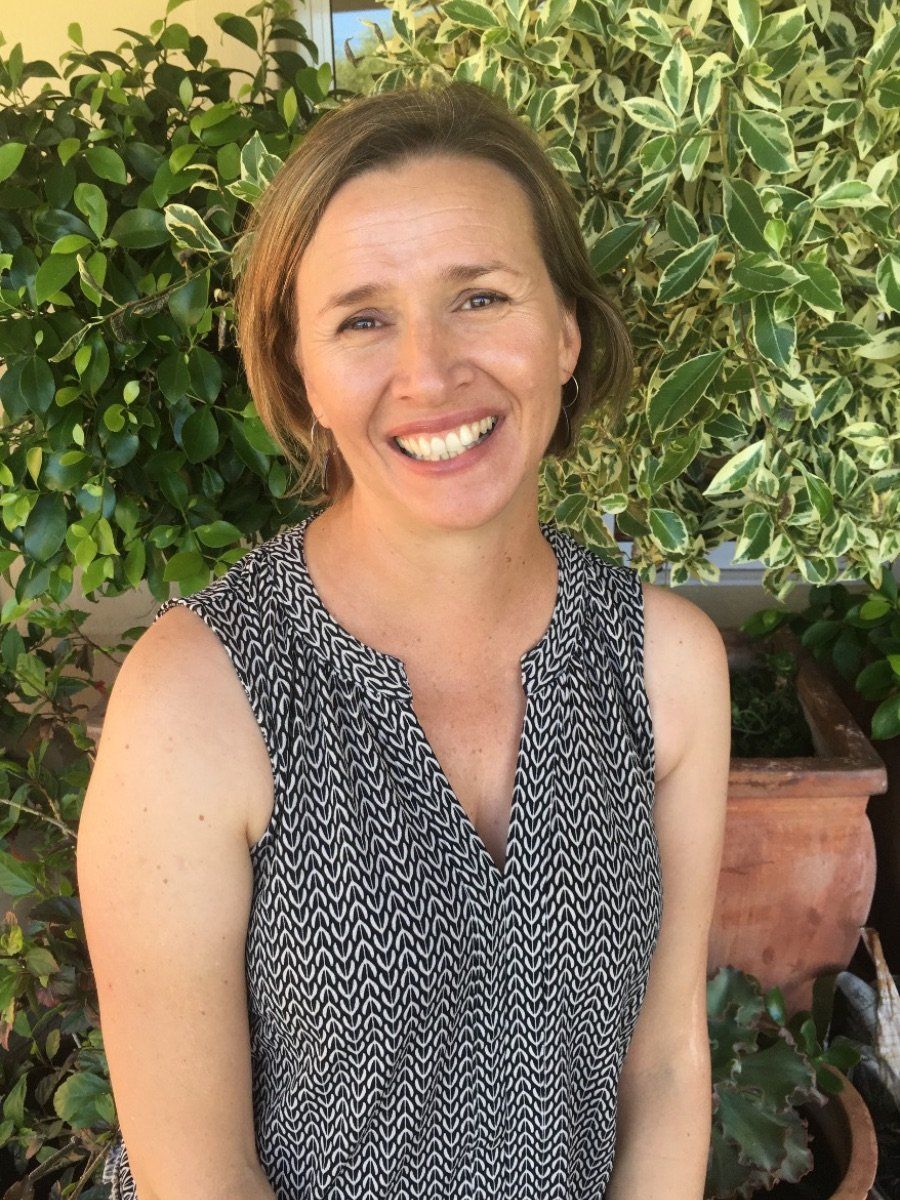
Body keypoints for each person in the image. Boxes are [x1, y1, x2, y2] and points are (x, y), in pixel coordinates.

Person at [77, 80, 731, 1200]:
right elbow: (201, 1176)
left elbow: (666, 1063)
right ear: (302, 377)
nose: (428, 374)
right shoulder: (199, 700)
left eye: (479, 298)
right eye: (363, 319)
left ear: (566, 334)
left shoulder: (666, 668)